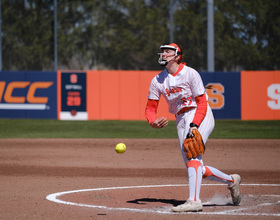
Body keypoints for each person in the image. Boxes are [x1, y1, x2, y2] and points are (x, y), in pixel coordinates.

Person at [145, 43, 241, 212]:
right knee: (196, 167)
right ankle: (232, 181)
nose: (163, 54)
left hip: (199, 114)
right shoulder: (157, 80)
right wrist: (152, 121)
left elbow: (202, 102)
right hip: (181, 119)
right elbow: (150, 108)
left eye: (168, 51)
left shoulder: (190, 73)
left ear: (177, 56)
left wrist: (195, 125)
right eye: (162, 52)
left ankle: (194, 201)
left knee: (192, 156)